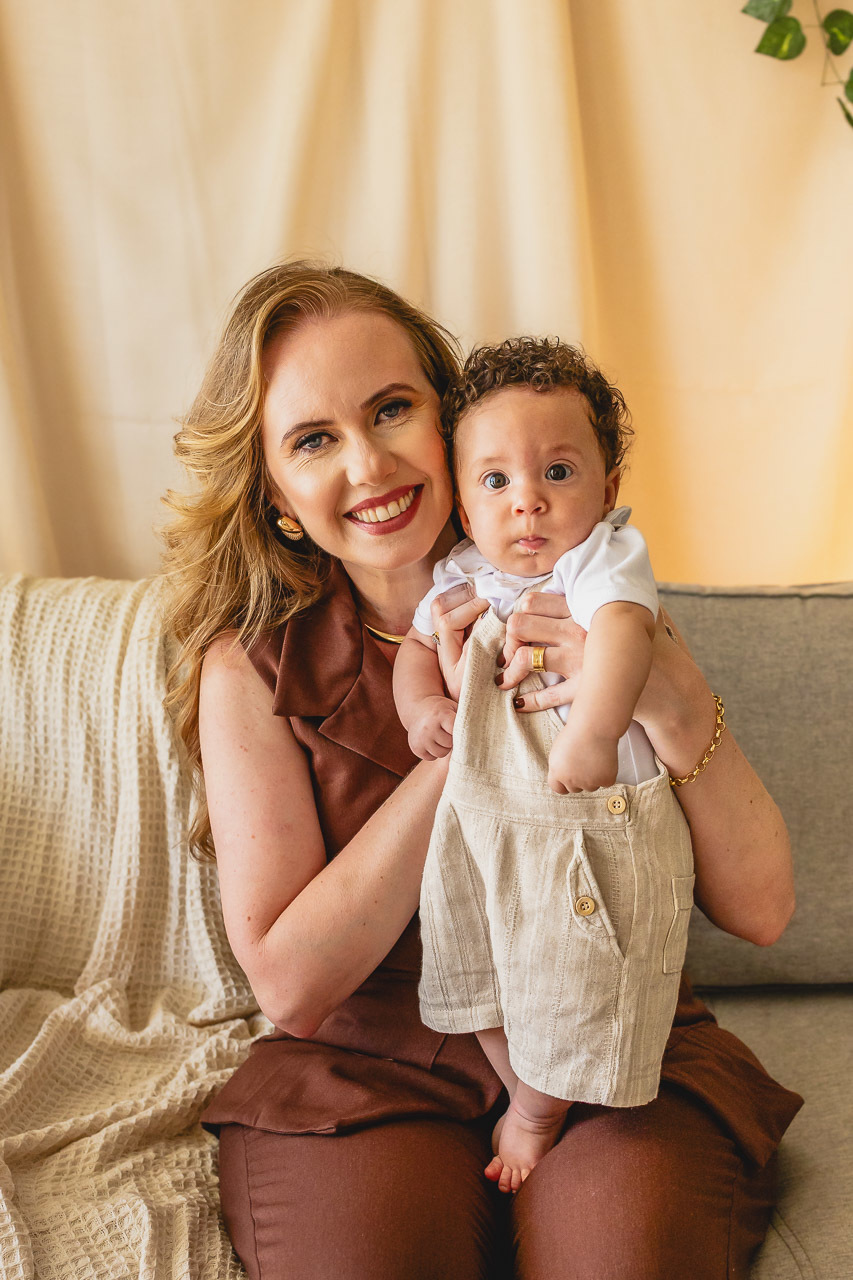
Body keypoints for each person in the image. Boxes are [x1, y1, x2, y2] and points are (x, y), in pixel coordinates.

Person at [161, 260, 802, 1280]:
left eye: (391, 409)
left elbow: (764, 907)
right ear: (277, 493)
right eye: (315, 439)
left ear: (450, 421)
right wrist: (471, 730)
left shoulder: (588, 591)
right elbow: (292, 983)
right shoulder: (250, 666)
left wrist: (663, 689)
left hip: (609, 1020)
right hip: (367, 1062)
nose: (368, 463)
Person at [393, 337, 695, 1193]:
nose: (526, 499)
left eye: (557, 472)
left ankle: (540, 1108)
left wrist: (593, 733)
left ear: (607, 487)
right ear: (460, 495)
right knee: (471, 960)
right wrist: (424, 706)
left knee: (583, 970)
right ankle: (522, 1081)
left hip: (586, 817)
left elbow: (627, 634)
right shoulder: (460, 573)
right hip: (485, 821)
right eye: (494, 481)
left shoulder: (599, 560)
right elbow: (414, 651)